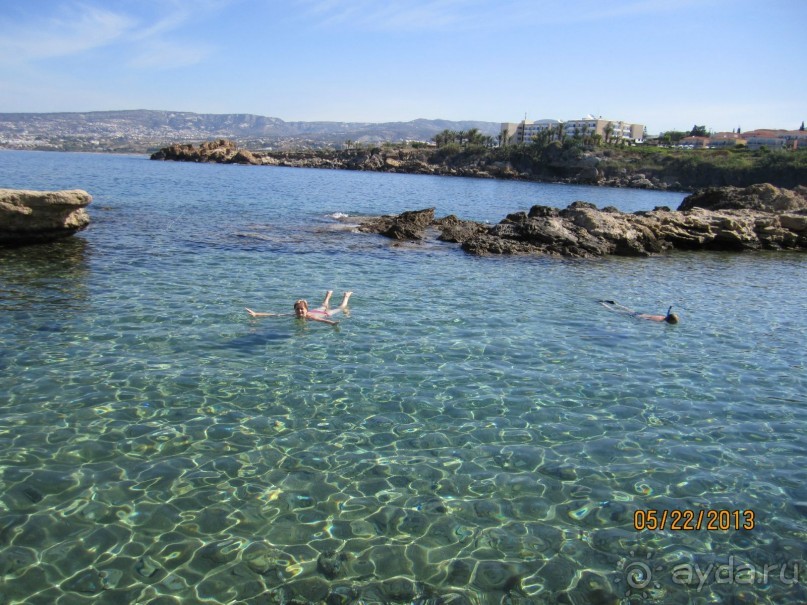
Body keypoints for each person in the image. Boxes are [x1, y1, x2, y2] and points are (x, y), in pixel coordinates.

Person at [246, 291, 352, 326]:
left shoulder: (309, 316)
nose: (300, 311)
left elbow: (321, 320)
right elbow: (275, 315)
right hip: (316, 311)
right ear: (295, 310)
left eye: (302, 309)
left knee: (341, 307)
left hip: (323, 314)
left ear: (306, 309)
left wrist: (332, 323)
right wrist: (256, 314)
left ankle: (346, 296)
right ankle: (328, 294)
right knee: (324, 306)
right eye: (298, 309)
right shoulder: (295, 315)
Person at [599, 300, 679, 324]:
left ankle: (616, 304)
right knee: (615, 311)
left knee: (628, 309)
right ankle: (603, 304)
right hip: (639, 317)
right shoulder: (660, 321)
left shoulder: (663, 316)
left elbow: (668, 312)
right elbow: (648, 321)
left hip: (641, 313)